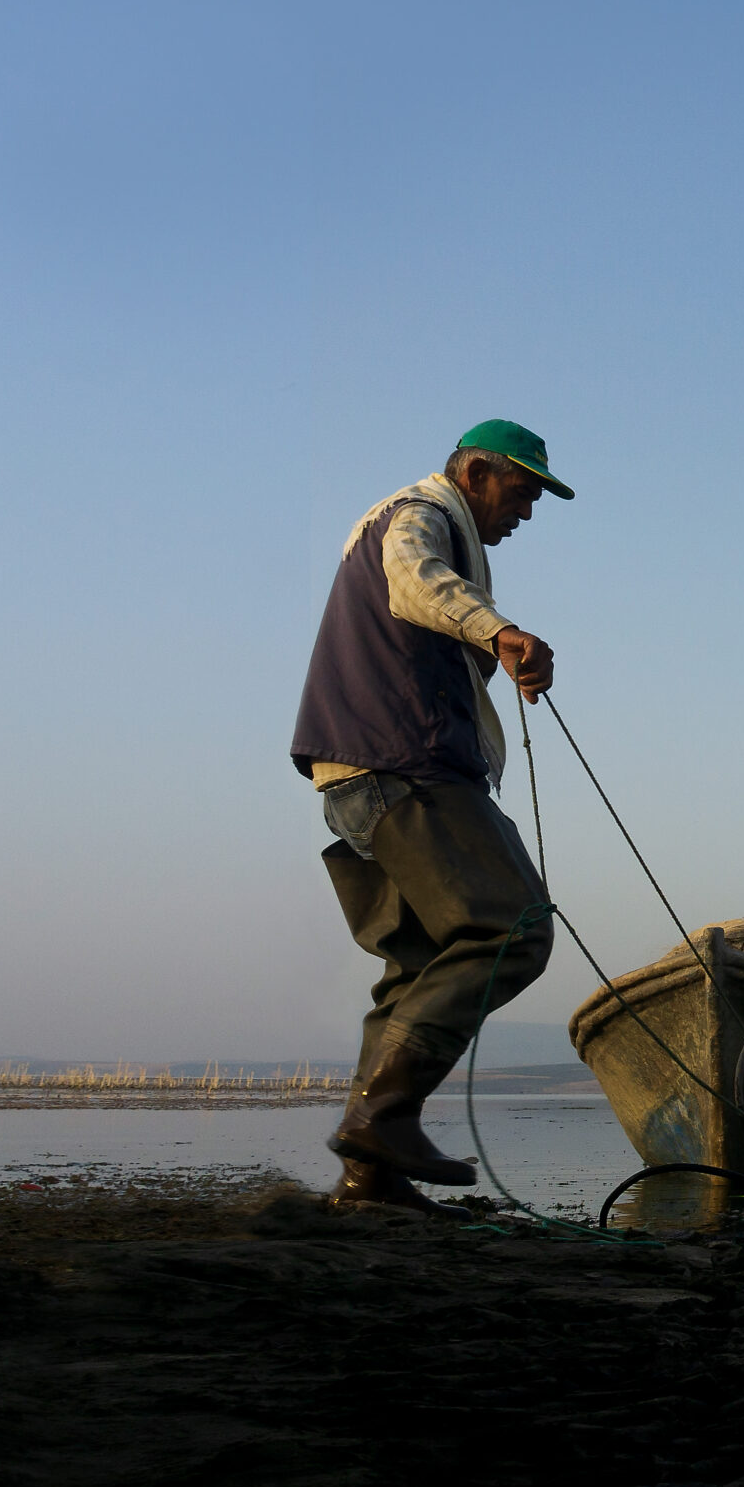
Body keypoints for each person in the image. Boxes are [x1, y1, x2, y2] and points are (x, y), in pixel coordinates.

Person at [289, 419, 572, 1216]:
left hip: (353, 776)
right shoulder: (420, 514)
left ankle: (369, 1182)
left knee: (414, 966)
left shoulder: (424, 525)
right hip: (403, 765)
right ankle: (384, 1116)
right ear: (475, 472)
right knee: (510, 927)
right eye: (521, 491)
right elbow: (413, 578)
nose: (527, 511)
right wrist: (501, 630)